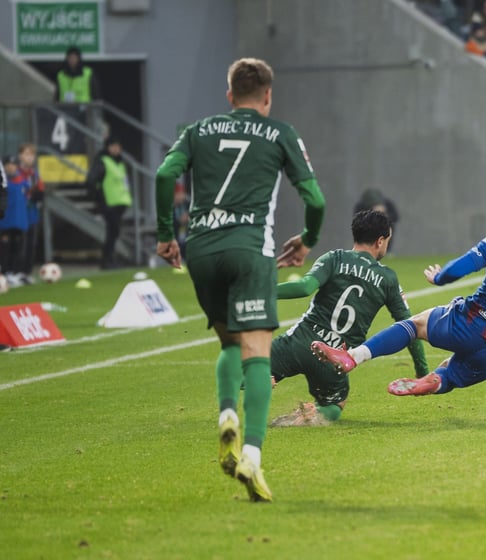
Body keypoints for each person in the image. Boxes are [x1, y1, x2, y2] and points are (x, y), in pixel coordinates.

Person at [155, 57, 326, 503]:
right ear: (267, 96)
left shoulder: (198, 130)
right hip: (250, 249)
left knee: (229, 342)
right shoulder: (280, 133)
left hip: (202, 250)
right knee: (257, 348)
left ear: (229, 95)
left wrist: (164, 235)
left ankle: (227, 411)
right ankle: (251, 452)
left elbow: (164, 173)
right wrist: (307, 239)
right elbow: (315, 197)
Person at [311, 182, 486, 399]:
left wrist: (439, 278)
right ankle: (438, 380)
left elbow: (459, 269)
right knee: (455, 372)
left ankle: (354, 356)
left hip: (470, 323)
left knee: (416, 325)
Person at [269, 210, 427, 426]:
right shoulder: (387, 278)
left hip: (298, 342)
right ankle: (313, 415)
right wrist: (422, 372)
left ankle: (251, 391)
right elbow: (410, 327)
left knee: (252, 368)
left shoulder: (334, 258)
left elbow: (305, 287)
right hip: (334, 359)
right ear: (380, 241)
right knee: (335, 405)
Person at [85, 137, 132, 269]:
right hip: (109, 203)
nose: (116, 149)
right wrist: (99, 198)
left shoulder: (120, 162)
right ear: (107, 147)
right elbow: (91, 181)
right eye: (113, 146)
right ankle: (106, 260)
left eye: (118, 146)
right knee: (112, 232)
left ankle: (110, 259)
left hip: (120, 202)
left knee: (114, 232)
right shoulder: (102, 162)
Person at [0, 156, 31, 288]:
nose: (11, 167)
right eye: (8, 164)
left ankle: (16, 272)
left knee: (18, 248)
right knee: (5, 248)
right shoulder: (7, 183)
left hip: (19, 221)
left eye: (13, 164)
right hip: (5, 221)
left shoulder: (23, 182)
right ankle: (6, 272)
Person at [17, 143, 45, 285]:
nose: (30, 157)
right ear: (20, 156)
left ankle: (26, 272)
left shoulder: (35, 174)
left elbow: (40, 190)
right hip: (18, 213)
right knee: (19, 243)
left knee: (30, 243)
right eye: (27, 154)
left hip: (32, 212)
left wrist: (38, 194)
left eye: (32, 154)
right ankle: (15, 272)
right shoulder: (15, 172)